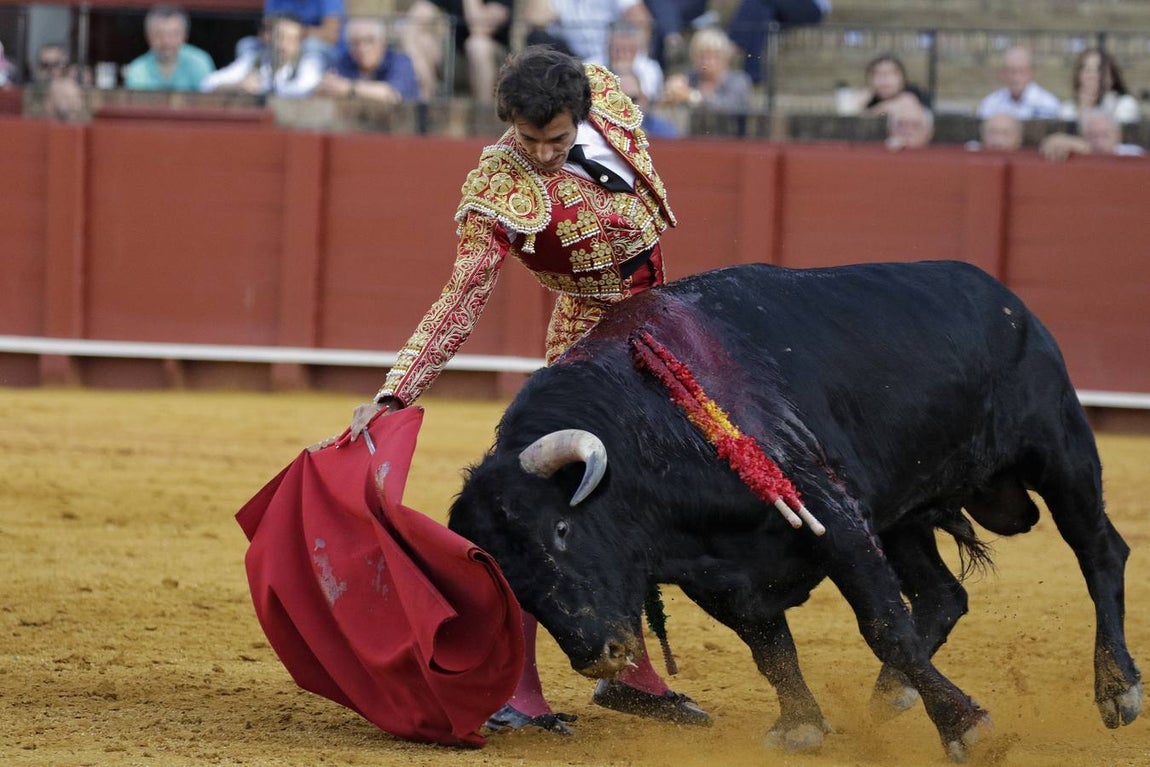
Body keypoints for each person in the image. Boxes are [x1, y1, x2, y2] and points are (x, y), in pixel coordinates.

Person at [343, 46, 709, 732]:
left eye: (557, 139)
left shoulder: (600, 88)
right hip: (590, 346)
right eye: (529, 138)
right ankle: (520, 686)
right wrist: (397, 392)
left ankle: (627, 672)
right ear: (508, 121)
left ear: (582, 112)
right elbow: (461, 298)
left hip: (666, 326)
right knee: (552, 512)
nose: (542, 154)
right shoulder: (498, 188)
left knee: (641, 508)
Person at [401, 0, 512, 102]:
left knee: (477, 45)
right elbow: (418, 15)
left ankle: (484, 115)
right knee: (418, 36)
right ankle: (426, 103)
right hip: (458, 59)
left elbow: (479, 29)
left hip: (494, 62)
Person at [200, 14, 324, 98]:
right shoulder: (254, 59)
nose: (284, 44)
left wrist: (259, 89)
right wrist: (237, 86)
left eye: (292, 39)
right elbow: (207, 83)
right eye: (280, 37)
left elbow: (305, 88)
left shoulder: (309, 62)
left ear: (300, 43)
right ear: (269, 38)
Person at [316, 15, 418, 104]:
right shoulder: (345, 62)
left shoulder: (400, 62)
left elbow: (392, 95)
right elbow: (327, 86)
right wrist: (326, 87)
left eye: (369, 41)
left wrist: (350, 89)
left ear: (383, 41)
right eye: (355, 43)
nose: (362, 48)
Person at [727, 0, 830, 84]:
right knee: (761, 14)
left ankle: (731, 47)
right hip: (778, 7)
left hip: (811, 7)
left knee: (757, 6)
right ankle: (752, 71)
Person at [524, 0, 652, 66]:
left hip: (611, 57)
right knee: (537, 38)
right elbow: (536, 18)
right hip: (570, 58)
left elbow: (640, 20)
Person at [123, 5, 216, 92]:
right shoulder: (137, 70)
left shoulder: (200, 63)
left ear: (184, 35)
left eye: (173, 34)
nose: (166, 41)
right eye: (159, 34)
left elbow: (209, 103)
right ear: (148, 36)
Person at [662, 27, 752, 114]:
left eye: (713, 56)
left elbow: (729, 108)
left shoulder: (738, 80)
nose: (706, 61)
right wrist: (672, 89)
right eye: (701, 56)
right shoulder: (689, 78)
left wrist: (693, 97)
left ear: (725, 57)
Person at [975, 45, 1060, 121]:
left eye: (1021, 71)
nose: (1016, 78)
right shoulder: (990, 104)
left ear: (1031, 73)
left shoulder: (1048, 104)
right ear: (1003, 73)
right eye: (1011, 71)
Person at [1058, 48, 1140, 125]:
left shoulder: (1124, 104)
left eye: (1099, 71)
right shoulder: (1068, 108)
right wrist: (1083, 108)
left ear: (1112, 77)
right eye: (1087, 70)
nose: (1092, 76)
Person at [1040, 108, 1146, 161]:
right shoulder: (1075, 153)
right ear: (1082, 136)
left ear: (1118, 135)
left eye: (1105, 135)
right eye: (1092, 136)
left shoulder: (1134, 153)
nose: (1099, 142)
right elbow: (1050, 145)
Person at [858, 53, 929, 115]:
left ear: (903, 78)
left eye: (891, 73)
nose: (884, 79)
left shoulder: (916, 95)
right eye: (877, 74)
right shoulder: (867, 99)